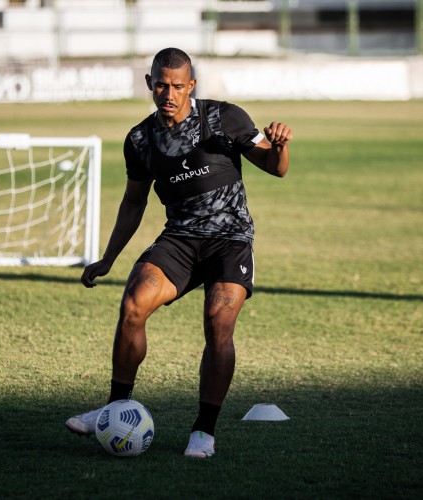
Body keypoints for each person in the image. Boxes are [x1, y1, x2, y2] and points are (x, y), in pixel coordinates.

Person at [65, 47, 293, 458]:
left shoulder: (224, 118)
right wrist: (108, 258)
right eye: (160, 85)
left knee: (218, 323)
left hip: (230, 239)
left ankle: (203, 431)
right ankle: (117, 407)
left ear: (191, 85)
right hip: (181, 240)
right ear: (149, 83)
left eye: (176, 86)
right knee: (133, 305)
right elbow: (134, 203)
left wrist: (280, 146)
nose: (168, 93)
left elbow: (276, 168)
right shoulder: (139, 139)